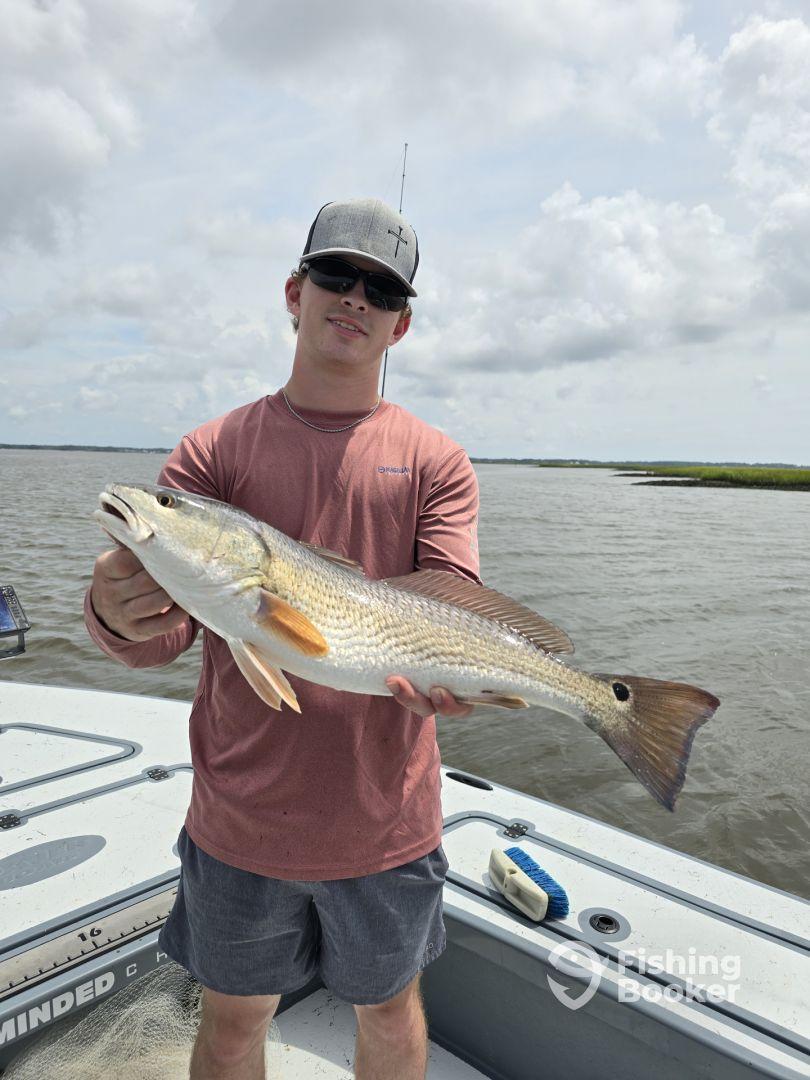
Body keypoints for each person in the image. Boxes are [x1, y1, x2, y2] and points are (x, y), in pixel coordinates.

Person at [85, 197, 480, 1080]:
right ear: (293, 294)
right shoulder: (212, 451)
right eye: (336, 276)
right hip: (241, 820)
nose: (356, 298)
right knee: (231, 1025)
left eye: (380, 289)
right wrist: (114, 608)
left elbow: (454, 601)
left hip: (386, 821)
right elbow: (160, 638)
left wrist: (469, 678)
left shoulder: (436, 460)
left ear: (401, 325)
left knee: (389, 1014)